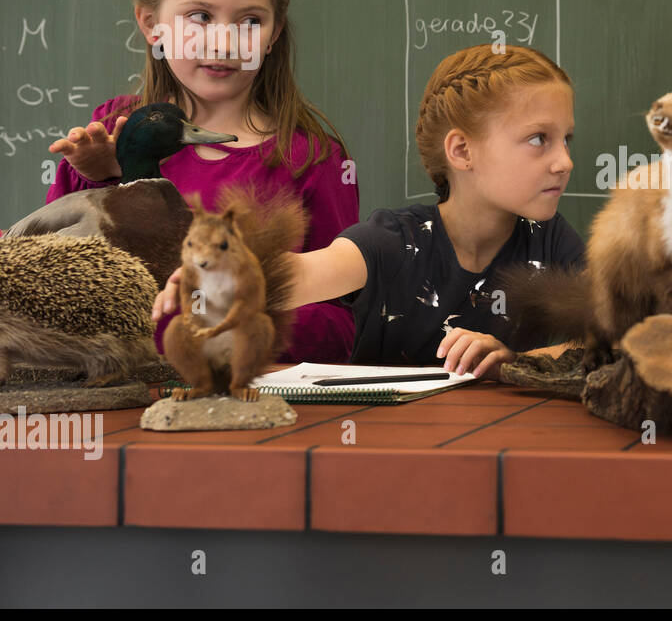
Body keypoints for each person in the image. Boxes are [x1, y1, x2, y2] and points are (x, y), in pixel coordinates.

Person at [157, 43, 581, 379]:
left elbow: (621, 337)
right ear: (462, 150)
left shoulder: (551, 241)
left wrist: (515, 361)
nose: (564, 161)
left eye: (567, 140)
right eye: (539, 139)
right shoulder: (395, 240)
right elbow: (303, 273)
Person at [46, 0, 358, 363]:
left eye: (250, 20)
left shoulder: (310, 159)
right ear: (152, 23)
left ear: (274, 33)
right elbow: (50, 275)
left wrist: (240, 308)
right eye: (200, 16)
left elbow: (340, 327)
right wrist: (99, 180)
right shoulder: (109, 132)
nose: (224, 42)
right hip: (118, 400)